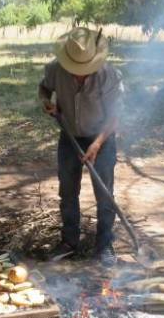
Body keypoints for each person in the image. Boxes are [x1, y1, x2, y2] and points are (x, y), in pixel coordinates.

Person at [38, 27, 124, 265]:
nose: (78, 74)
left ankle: (104, 245)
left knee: (104, 192)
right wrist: (47, 102)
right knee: (67, 190)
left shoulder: (109, 76)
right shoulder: (55, 69)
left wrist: (96, 145)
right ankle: (69, 242)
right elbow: (44, 88)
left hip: (102, 139)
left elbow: (114, 118)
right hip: (70, 136)